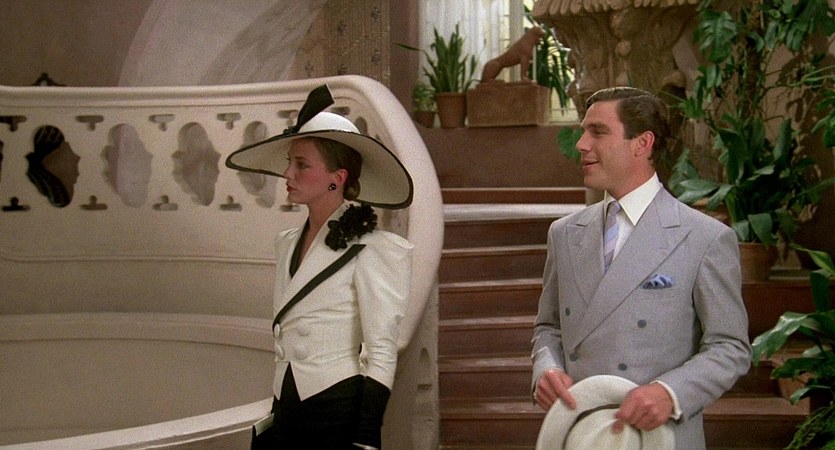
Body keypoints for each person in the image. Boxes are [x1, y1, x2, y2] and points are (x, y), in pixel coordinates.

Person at [531, 86, 751, 449]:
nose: (581, 144)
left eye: (598, 132)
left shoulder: (704, 238)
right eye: (583, 132)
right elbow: (548, 327)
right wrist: (546, 369)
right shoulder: (564, 233)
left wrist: (670, 393)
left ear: (642, 143)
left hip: (659, 438)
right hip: (581, 435)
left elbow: (730, 347)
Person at [226, 84, 414, 449]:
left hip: (335, 407)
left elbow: (381, 350)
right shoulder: (286, 243)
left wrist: (366, 438)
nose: (288, 174)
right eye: (290, 162)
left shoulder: (371, 249)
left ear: (337, 178)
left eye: (301, 165)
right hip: (287, 404)